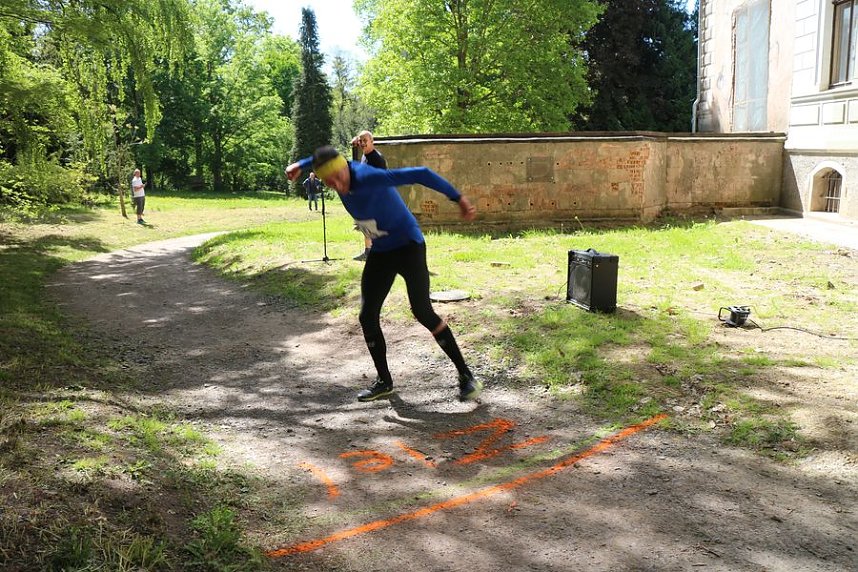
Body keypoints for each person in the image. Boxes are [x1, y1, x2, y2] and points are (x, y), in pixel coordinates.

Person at [285, 146, 481, 403]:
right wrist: (301, 163)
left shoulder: (369, 177)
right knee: (367, 316)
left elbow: (421, 173)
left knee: (423, 312)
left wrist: (459, 198)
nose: (336, 185)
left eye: (338, 178)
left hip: (409, 247)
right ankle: (384, 382)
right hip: (382, 251)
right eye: (329, 183)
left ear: (345, 167)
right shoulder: (333, 168)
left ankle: (466, 376)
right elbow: (324, 156)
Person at [351, 130, 387, 261]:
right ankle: (368, 253)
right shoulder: (365, 155)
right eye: (361, 141)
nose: (362, 143)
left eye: (365, 141)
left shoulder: (377, 159)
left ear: (372, 141)